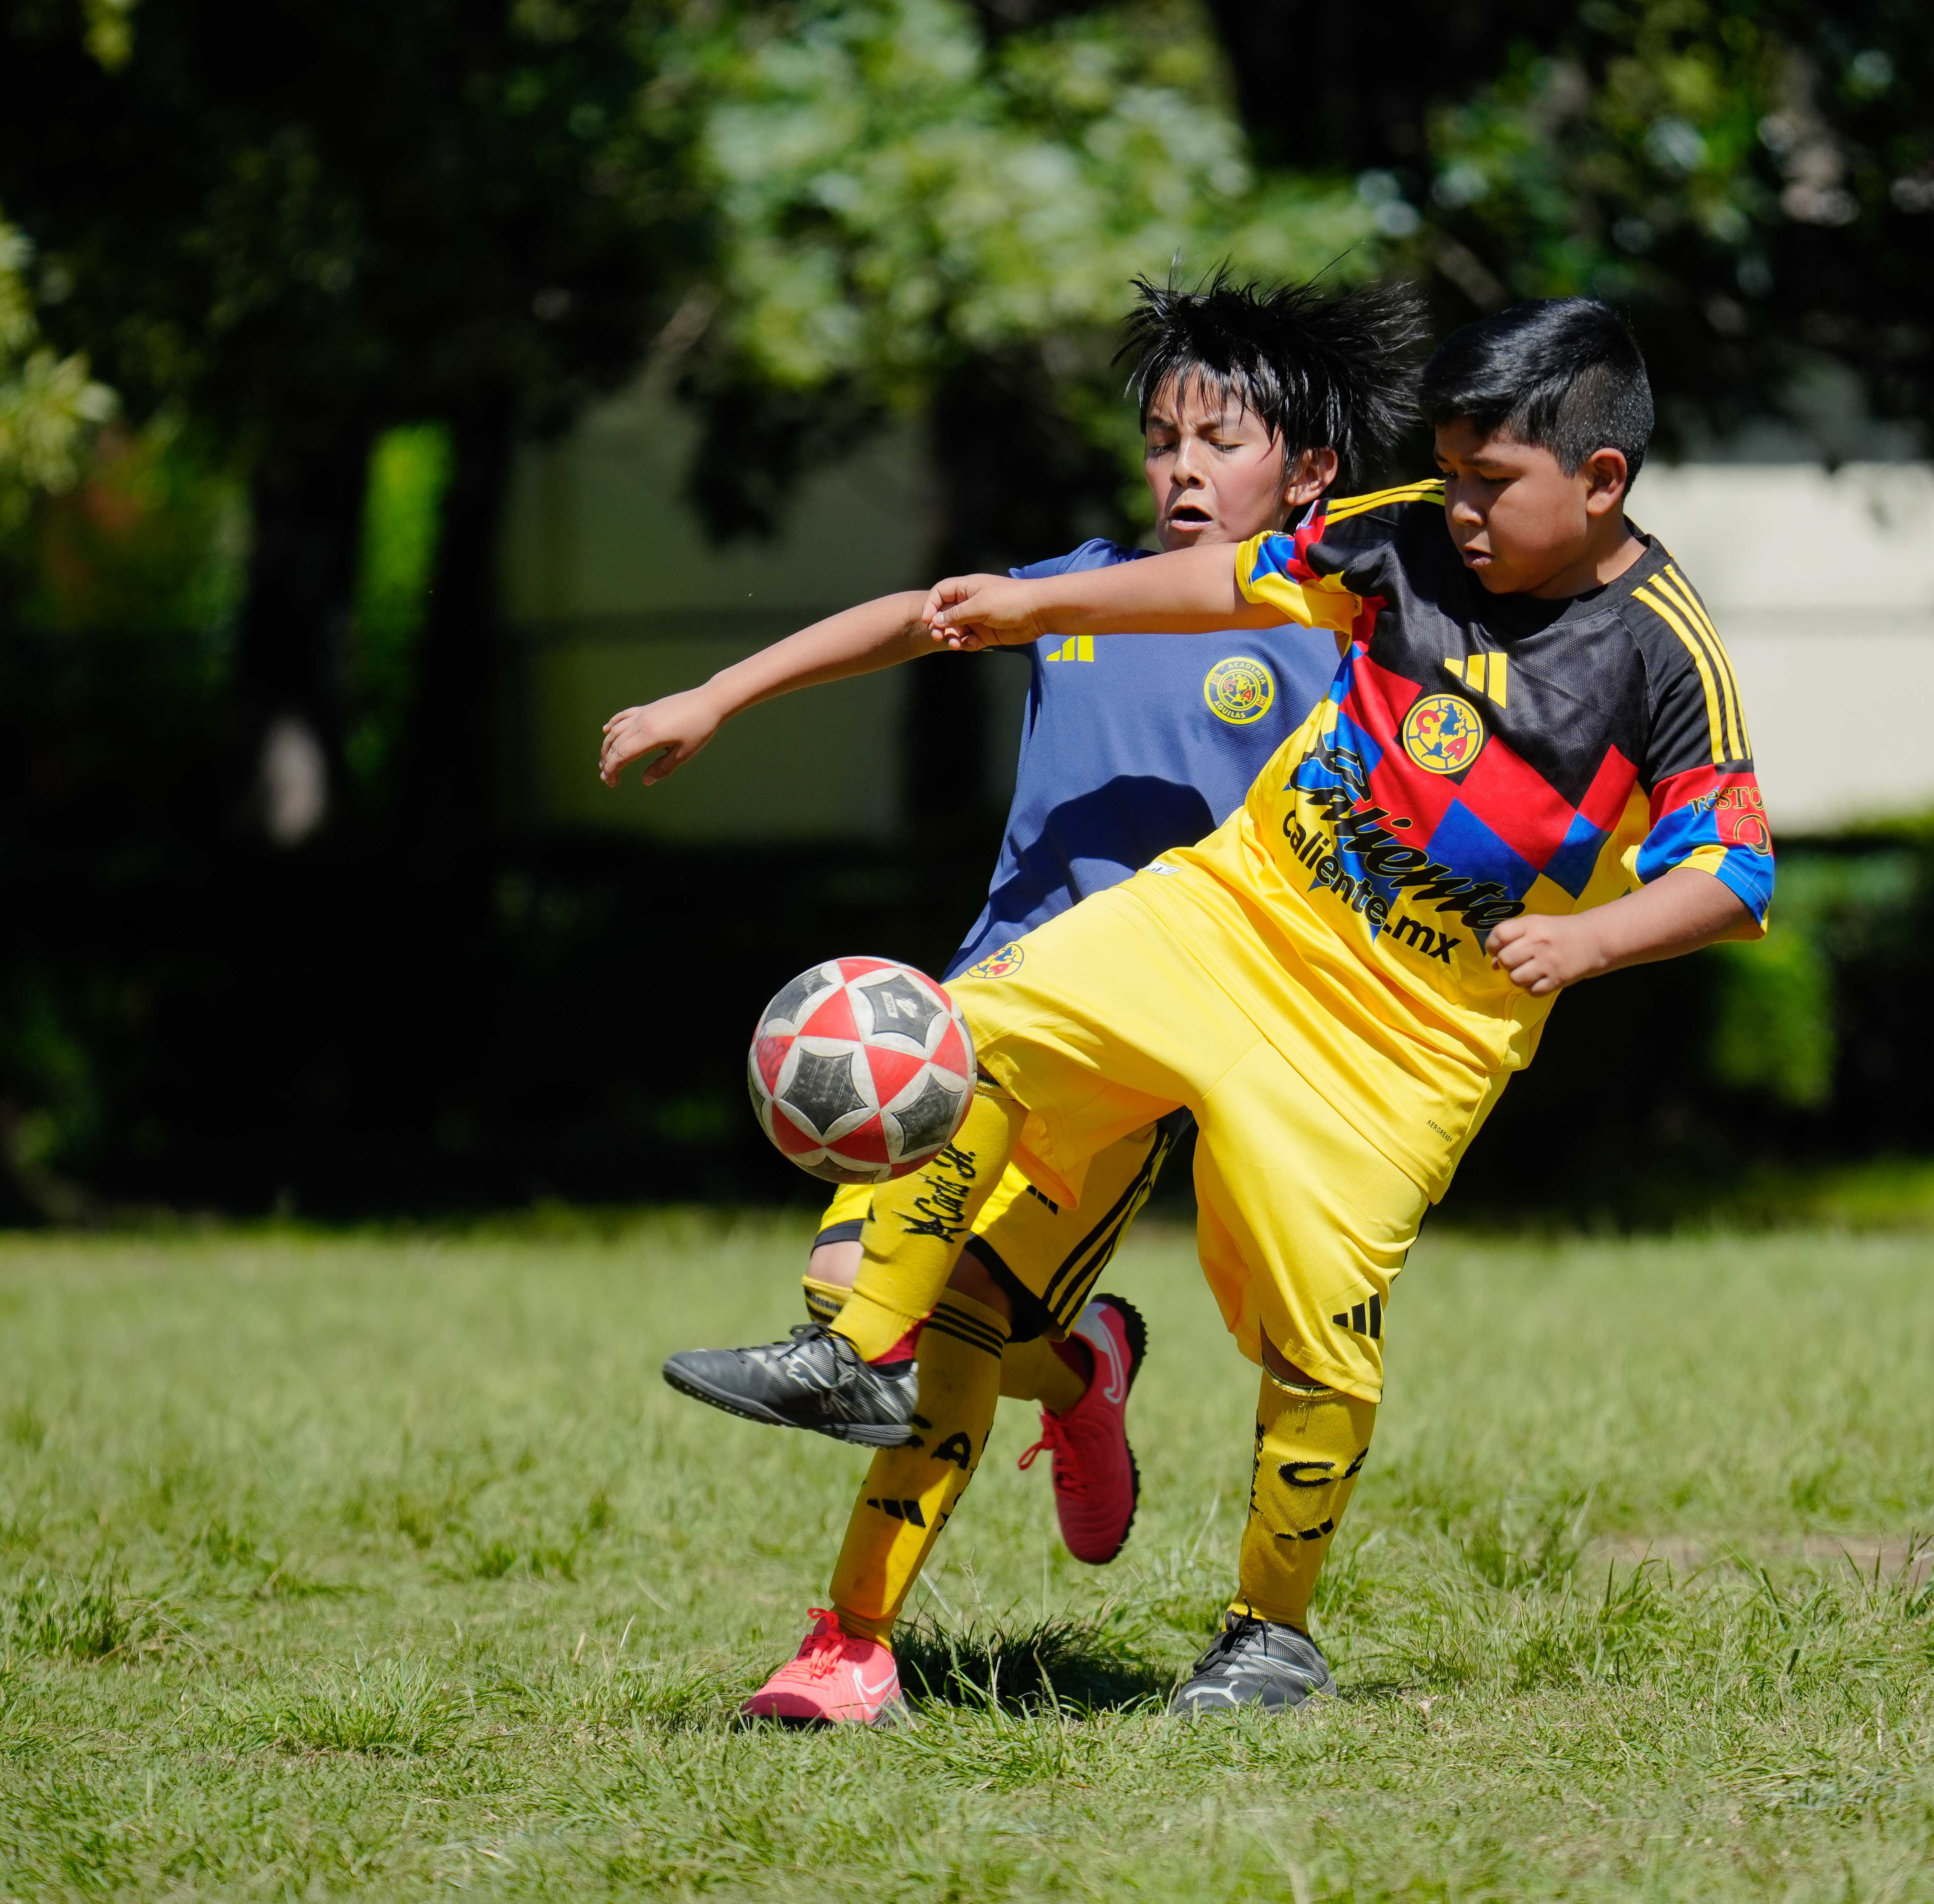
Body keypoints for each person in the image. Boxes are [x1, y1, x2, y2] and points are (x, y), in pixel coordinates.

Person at [721, 295, 1778, 1716]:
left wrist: (1588, 948)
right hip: (1233, 917)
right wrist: (1035, 604)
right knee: (977, 1037)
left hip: (1401, 1044)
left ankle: (1268, 1635)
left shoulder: (1661, 653)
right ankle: (855, 1352)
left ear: (1601, 482)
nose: (1456, 509)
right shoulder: (1402, 533)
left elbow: (1733, 868)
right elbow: (1229, 583)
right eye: (1450, 473)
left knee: (1317, 1332)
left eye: (1491, 484)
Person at [597, 273, 1428, 1725]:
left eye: (1220, 443)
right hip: (980, 1024)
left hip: (1142, 1059)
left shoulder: (1335, 635)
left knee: (954, 1313)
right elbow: (911, 618)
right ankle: (1085, 1361)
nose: (1181, 468)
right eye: (1164, 438)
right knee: (860, 1297)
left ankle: (850, 1647)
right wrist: (713, 697)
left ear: (1310, 475)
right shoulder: (1072, 593)